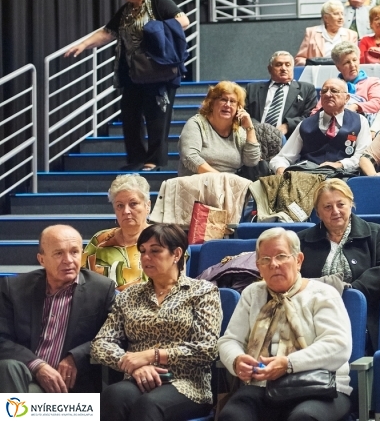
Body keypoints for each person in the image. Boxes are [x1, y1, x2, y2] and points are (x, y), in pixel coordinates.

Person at [217, 228, 353, 421]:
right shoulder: (252, 294)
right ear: (258, 266)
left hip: (318, 385)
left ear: (298, 260)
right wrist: (237, 359)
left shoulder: (323, 294)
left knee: (303, 418)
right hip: (262, 386)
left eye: (281, 256)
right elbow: (230, 340)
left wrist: (288, 364)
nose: (274, 264)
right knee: (232, 416)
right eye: (265, 259)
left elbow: (338, 345)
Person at [64, 0, 189, 172]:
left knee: (157, 116)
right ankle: (136, 158)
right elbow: (107, 32)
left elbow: (183, 21)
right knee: (130, 114)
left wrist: (155, 29)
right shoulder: (126, 10)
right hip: (134, 72)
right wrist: (84, 45)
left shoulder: (157, 1)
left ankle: (154, 160)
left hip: (159, 70)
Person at [91, 224, 222, 421]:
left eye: (155, 251)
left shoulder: (202, 292)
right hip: (139, 378)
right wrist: (133, 365)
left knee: (148, 404)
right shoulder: (129, 295)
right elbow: (100, 344)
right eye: (142, 251)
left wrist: (152, 355)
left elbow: (207, 349)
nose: (146, 257)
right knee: (113, 396)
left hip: (186, 382)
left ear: (176, 254)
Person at [0, 225, 115, 393]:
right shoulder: (14, 288)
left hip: (69, 383)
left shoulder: (101, 289)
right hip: (25, 375)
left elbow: (111, 337)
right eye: (59, 253)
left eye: (74, 252)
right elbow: (2, 338)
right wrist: (38, 366)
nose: (68, 260)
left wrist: (75, 357)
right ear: (41, 260)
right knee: (7, 367)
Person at [298, 180, 380, 346]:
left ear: (351, 204)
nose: (335, 211)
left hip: (361, 315)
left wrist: (352, 292)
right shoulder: (301, 240)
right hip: (310, 316)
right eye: (327, 207)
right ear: (318, 213)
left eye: (341, 204)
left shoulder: (376, 233)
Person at [270, 78, 370, 175]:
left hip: (343, 176)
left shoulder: (360, 121)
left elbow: (363, 157)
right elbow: (283, 157)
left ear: (347, 98)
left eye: (334, 91)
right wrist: (280, 168)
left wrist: (340, 164)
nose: (328, 94)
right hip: (308, 176)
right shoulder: (305, 124)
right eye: (324, 91)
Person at [82, 174, 151, 289]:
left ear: (147, 206)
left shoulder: (163, 240)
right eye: (120, 205)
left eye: (133, 204)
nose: (126, 211)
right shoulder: (100, 240)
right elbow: (81, 280)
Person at [178, 81, 260, 177]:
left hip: (229, 184)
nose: (227, 105)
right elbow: (190, 157)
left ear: (239, 107)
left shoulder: (238, 131)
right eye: (223, 99)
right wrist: (221, 179)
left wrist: (250, 128)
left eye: (232, 101)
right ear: (212, 103)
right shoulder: (196, 123)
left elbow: (251, 161)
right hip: (197, 182)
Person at [245, 51, 317, 137]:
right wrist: (259, 128)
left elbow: (310, 116)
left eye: (288, 65)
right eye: (278, 65)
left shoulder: (306, 89)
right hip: (254, 134)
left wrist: (288, 125)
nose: (283, 68)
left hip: (289, 138)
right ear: (269, 69)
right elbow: (243, 111)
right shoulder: (252, 88)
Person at [310, 42, 380, 121]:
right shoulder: (331, 86)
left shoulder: (372, 82)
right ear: (338, 67)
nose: (352, 65)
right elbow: (316, 111)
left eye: (354, 60)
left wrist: (356, 106)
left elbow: (379, 103)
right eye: (347, 62)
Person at [295, 0, 358, 66]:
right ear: (326, 18)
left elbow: (355, 59)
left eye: (342, 14)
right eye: (336, 14)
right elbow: (300, 58)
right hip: (317, 70)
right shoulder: (311, 32)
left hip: (343, 70)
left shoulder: (351, 35)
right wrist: (308, 65)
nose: (341, 17)